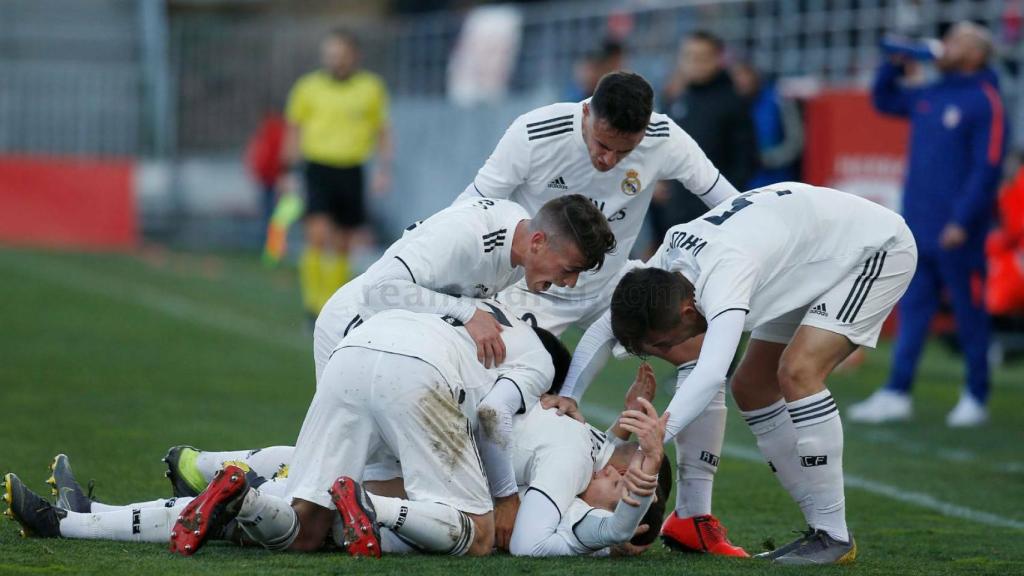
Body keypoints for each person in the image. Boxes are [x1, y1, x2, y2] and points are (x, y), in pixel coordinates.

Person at [459, 70, 745, 555]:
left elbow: (731, 206)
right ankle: (484, 490)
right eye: (602, 145)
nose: (609, 160)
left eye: (624, 152)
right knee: (490, 389)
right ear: (587, 112)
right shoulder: (535, 132)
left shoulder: (665, 136)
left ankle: (695, 513)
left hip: (613, 284)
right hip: (533, 287)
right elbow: (471, 210)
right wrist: (466, 300)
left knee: (700, 347)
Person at [562, 182, 918, 564]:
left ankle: (831, 534)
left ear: (686, 312)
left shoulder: (725, 278)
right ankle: (729, 522)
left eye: (662, 344)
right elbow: (605, 325)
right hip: (804, 256)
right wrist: (568, 396)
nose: (665, 354)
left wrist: (659, 433)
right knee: (751, 387)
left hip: (874, 248)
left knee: (799, 371)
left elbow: (713, 373)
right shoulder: (667, 263)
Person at [851, 21, 1008, 427]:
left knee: (968, 311)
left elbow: (987, 167)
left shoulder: (985, 99)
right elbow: (883, 100)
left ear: (977, 52)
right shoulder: (934, 92)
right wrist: (895, 62)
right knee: (914, 310)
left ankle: (976, 394)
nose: (947, 45)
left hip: (958, 231)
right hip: (918, 227)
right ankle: (897, 391)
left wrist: (962, 220)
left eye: (959, 39)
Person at [311, 194, 613, 378]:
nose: (569, 283)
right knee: (341, 465)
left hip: (390, 337)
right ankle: (267, 475)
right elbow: (381, 290)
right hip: (352, 323)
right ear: (538, 243)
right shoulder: (469, 236)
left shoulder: (520, 250)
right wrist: (467, 312)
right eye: (570, 269)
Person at [283, 29, 392, 318]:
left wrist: (383, 169)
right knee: (317, 235)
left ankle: (331, 302)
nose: (335, 60)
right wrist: (289, 170)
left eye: (341, 55)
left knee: (343, 241)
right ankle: (313, 303)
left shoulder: (371, 87)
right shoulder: (308, 87)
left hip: (352, 169)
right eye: (330, 55)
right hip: (318, 167)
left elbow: (382, 130)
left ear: (354, 56)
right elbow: (293, 129)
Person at [650, 30, 759, 242]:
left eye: (701, 57)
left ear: (717, 59)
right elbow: (662, 149)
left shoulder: (733, 102)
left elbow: (746, 161)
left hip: (715, 219)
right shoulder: (676, 100)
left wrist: (726, 203)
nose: (694, 63)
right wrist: (656, 180)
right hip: (674, 217)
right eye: (688, 56)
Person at [731, 61, 804, 188]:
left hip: (779, 182)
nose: (741, 80)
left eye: (745, 74)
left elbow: (796, 141)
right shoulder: (730, 105)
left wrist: (766, 159)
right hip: (744, 185)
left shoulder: (779, 100)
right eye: (737, 76)